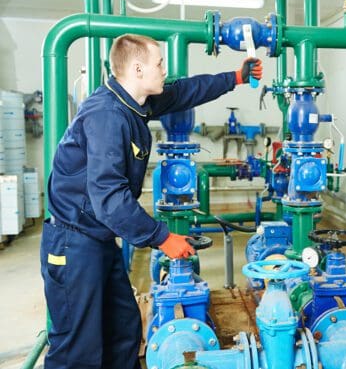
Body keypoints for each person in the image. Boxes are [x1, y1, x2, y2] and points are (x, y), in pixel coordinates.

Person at [40, 34, 263, 369]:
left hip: (98, 238)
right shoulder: (107, 115)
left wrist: (235, 78)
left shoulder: (134, 102)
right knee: (79, 349)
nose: (165, 69)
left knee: (124, 328)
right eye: (160, 63)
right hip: (74, 243)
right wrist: (162, 238)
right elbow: (109, 197)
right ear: (138, 68)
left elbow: (185, 91)